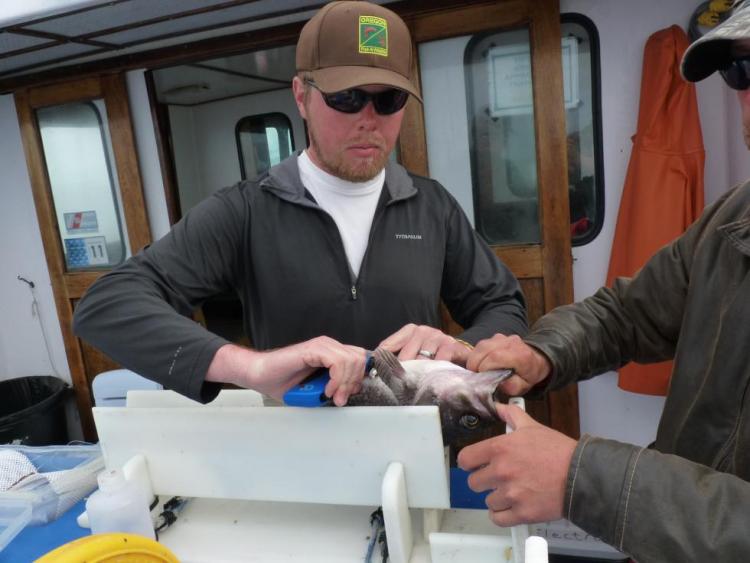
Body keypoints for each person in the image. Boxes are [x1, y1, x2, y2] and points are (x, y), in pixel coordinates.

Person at [73, 1, 526, 408]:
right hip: (301, 448)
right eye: (346, 98)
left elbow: (503, 304)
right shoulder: (244, 212)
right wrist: (247, 366)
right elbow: (106, 305)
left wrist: (460, 347)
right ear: (301, 96)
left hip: (418, 441)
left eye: (388, 99)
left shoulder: (432, 206)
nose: (369, 120)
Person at [457, 3, 750, 561]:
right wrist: (540, 354)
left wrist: (580, 477)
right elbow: (625, 313)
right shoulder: (731, 221)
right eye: (741, 70)